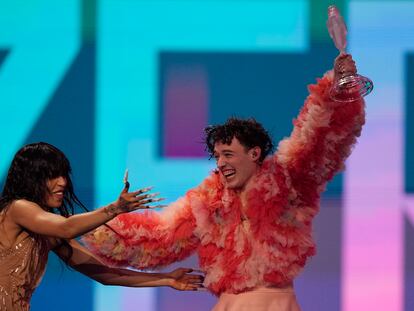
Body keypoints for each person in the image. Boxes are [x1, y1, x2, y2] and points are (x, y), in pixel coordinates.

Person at [83, 54, 365, 310]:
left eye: (228, 154)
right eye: (217, 156)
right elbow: (161, 237)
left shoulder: (289, 181)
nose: (220, 163)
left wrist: (337, 89)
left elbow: (315, 140)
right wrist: (97, 223)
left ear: (254, 153)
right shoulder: (208, 200)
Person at [0, 142, 203, 311]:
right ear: (32, 178)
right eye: (53, 176)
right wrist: (114, 209)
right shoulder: (18, 208)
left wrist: (167, 279)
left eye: (63, 175)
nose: (62, 182)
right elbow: (67, 227)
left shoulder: (48, 233)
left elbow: (106, 274)